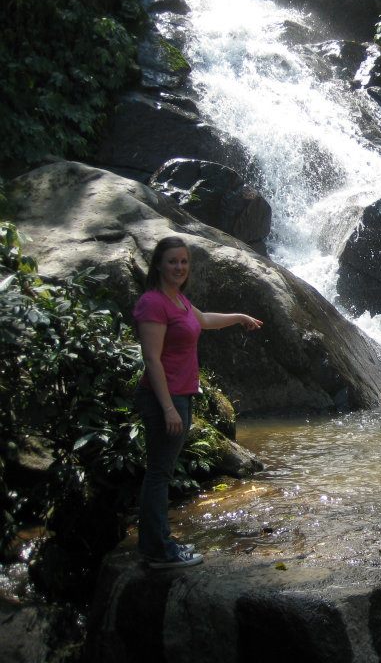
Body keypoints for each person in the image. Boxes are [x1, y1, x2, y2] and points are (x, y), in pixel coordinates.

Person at [133, 236, 262, 569]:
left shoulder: (178, 300)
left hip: (181, 395)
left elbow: (204, 320)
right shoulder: (153, 303)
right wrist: (167, 408)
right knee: (159, 474)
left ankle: (158, 543)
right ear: (158, 264)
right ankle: (159, 551)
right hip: (165, 398)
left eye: (184, 261)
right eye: (172, 261)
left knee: (161, 472)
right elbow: (152, 359)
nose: (179, 267)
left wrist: (239, 317)